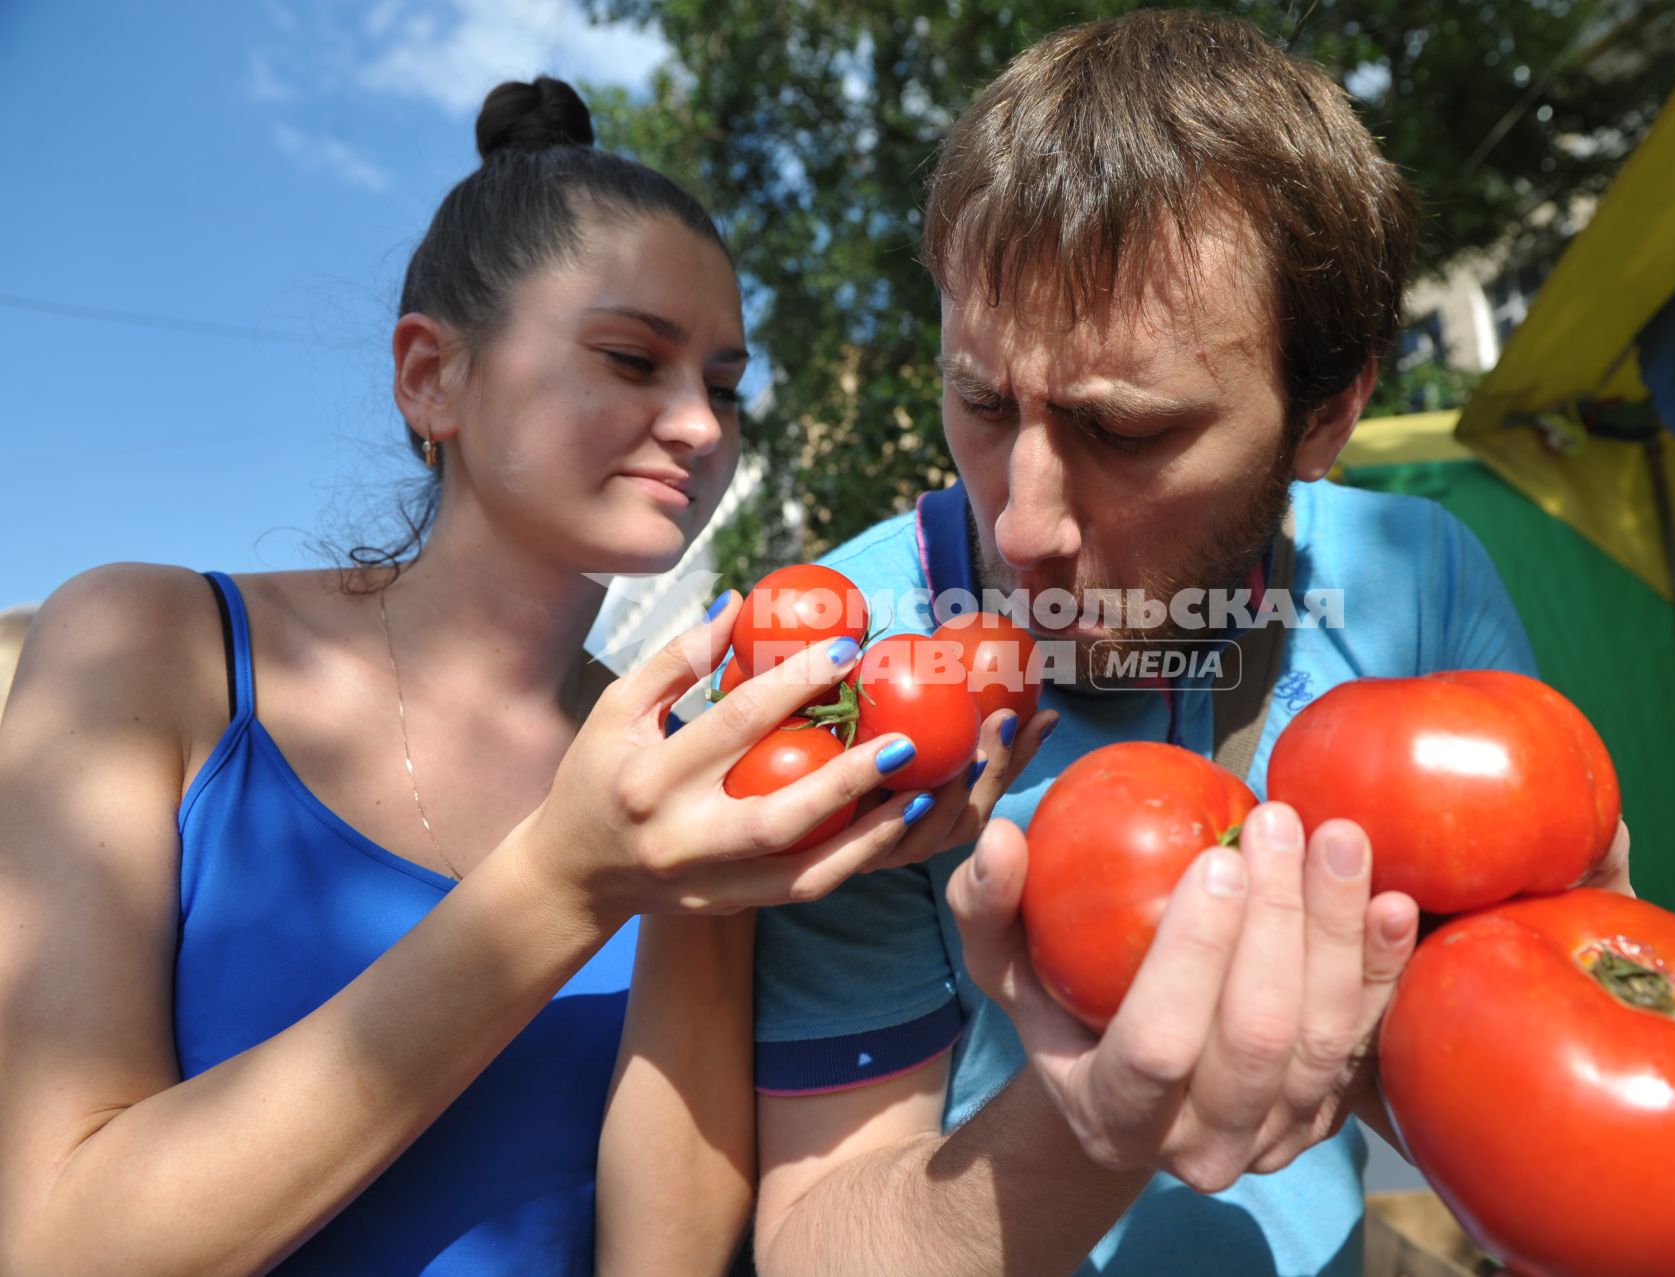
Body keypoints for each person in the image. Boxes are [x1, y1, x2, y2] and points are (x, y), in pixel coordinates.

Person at [743, 12, 1675, 1277]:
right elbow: (816, 1238)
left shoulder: (1419, 588)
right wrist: (1088, 1126)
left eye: (1128, 430)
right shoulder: (840, 681)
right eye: (980, 401)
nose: (1026, 521)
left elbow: (1507, 1059)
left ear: (1328, 414)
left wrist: (1648, 1188)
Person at [0, 77, 1030, 1277]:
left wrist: (723, 891)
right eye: (632, 359)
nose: (701, 426)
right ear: (431, 375)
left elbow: (659, 1258)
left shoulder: (690, 754)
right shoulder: (149, 644)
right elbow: (59, 1242)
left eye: (725, 386)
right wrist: (566, 881)